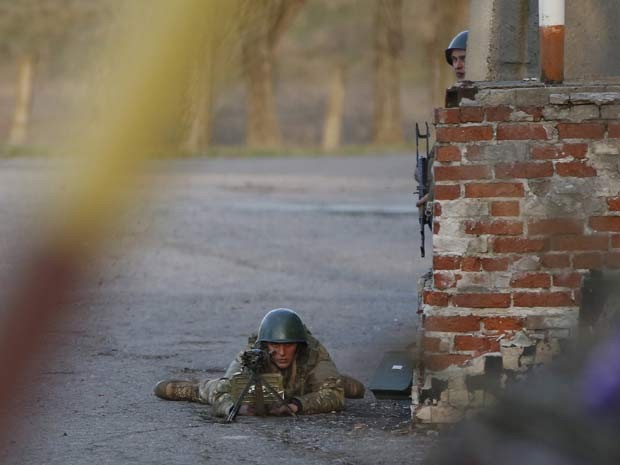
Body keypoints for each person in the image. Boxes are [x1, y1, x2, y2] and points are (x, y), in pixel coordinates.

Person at [154, 308, 365, 417]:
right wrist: (234, 409)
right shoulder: (252, 354)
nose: (282, 353)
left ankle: (334, 379)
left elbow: (334, 396)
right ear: (265, 345)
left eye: (289, 345)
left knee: (346, 388)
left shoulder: (314, 352)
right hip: (264, 386)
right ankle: (193, 389)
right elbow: (224, 390)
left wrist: (296, 405)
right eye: (275, 345)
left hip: (301, 385)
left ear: (299, 345)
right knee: (216, 388)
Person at [416, 30, 468, 211]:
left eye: (463, 59)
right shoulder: (456, 97)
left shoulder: (477, 102)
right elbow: (438, 154)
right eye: (454, 60)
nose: (457, 65)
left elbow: (455, 160)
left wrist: (433, 194)